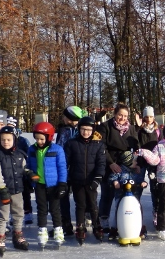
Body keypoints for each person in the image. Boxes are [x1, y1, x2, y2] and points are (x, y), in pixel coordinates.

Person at [97, 104, 140, 228]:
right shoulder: (106, 126)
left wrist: (136, 162)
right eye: (120, 115)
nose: (122, 118)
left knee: (124, 194)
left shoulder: (131, 128)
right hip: (109, 163)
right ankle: (103, 218)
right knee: (107, 194)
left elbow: (136, 147)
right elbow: (101, 147)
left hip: (126, 166)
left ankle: (123, 220)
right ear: (115, 114)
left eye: (125, 116)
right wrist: (111, 163)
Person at [64, 116, 106, 244]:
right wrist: (66, 178)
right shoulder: (72, 143)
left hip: (91, 180)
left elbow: (101, 164)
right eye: (83, 129)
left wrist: (97, 178)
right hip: (77, 180)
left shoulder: (98, 145)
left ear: (93, 130)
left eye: (88, 130)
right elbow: (65, 162)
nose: (85, 132)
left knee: (93, 204)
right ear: (79, 129)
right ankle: (80, 226)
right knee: (80, 204)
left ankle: (96, 225)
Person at [26, 122, 68, 247]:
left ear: (49, 137)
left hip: (54, 185)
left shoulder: (57, 149)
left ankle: (58, 230)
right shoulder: (32, 149)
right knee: (41, 209)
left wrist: (62, 184)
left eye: (42, 139)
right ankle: (42, 230)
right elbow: (29, 166)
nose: (39, 141)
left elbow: (62, 167)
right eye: (37, 138)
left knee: (55, 209)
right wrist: (29, 177)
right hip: (39, 184)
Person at [0, 126, 30, 255]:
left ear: (14, 140)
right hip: (3, 191)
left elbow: (24, 168)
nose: (5, 142)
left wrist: (29, 174)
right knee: (3, 215)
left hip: (17, 190)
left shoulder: (20, 154)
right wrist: (2, 189)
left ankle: (17, 234)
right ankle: (0, 237)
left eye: (8, 139)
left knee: (19, 213)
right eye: (3, 140)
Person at [54, 106, 84, 237]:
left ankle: (73, 224)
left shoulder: (67, 131)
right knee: (68, 197)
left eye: (65, 116)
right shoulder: (74, 129)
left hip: (70, 169)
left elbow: (59, 148)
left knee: (71, 197)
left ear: (70, 118)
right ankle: (71, 224)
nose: (63, 118)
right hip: (72, 168)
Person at [138, 106, 161, 224]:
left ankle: (156, 210)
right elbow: (136, 144)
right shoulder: (139, 130)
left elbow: (161, 144)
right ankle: (135, 207)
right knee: (138, 185)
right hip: (141, 161)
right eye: (146, 117)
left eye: (151, 116)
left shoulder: (157, 130)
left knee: (154, 186)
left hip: (153, 162)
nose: (149, 119)